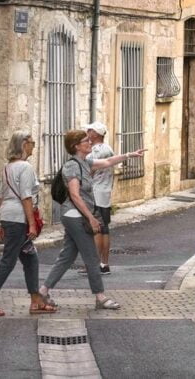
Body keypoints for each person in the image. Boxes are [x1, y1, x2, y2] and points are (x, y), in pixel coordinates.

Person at [39, 129, 144, 310]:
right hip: (75, 216)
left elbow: (108, 161)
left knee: (67, 256)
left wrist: (129, 155)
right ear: (76, 146)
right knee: (92, 257)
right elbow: (74, 194)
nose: (90, 143)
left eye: (89, 140)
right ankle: (100, 297)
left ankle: (42, 291)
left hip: (75, 215)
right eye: (86, 141)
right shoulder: (73, 166)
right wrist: (91, 218)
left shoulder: (85, 163)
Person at [0, 131, 56, 316]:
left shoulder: (7, 167)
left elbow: (3, 196)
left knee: (31, 258)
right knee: (8, 262)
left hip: (9, 217)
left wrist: (0, 223)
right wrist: (32, 224)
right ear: (23, 144)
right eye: (32, 142)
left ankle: (35, 300)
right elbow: (25, 196)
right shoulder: (25, 167)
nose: (34, 145)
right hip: (19, 219)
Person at [85, 121, 117, 274]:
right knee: (104, 230)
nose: (87, 131)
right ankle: (104, 264)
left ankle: (95, 264)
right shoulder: (108, 149)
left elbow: (88, 171)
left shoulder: (95, 152)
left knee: (96, 230)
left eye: (90, 130)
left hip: (95, 193)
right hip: (105, 193)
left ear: (96, 134)